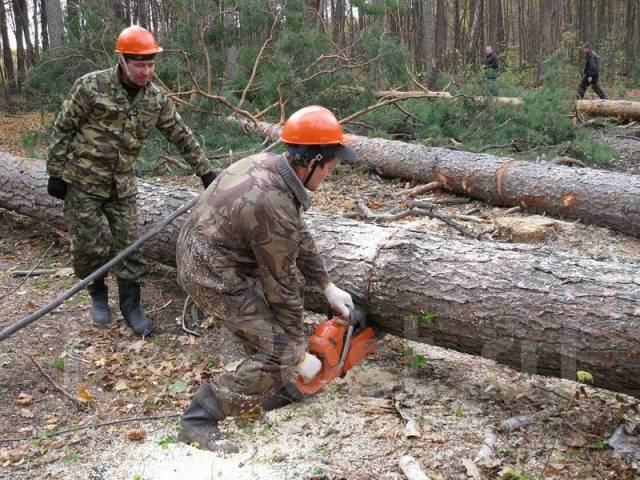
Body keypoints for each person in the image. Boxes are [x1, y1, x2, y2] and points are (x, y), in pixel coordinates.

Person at [175, 105, 356, 453]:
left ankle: (276, 384)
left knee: (273, 336)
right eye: (330, 165)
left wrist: (326, 284)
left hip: (209, 255)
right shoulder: (272, 205)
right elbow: (284, 290)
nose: (331, 173)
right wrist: (298, 355)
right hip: (211, 274)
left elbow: (297, 233)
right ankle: (200, 417)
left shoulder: (272, 168)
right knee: (278, 350)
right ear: (312, 161)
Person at [46, 26, 216, 336]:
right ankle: (97, 296)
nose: (146, 71)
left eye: (151, 65)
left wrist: (205, 171)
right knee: (89, 247)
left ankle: (131, 307)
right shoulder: (90, 87)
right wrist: (55, 173)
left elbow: (181, 135)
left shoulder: (155, 100)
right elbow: (63, 128)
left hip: (121, 186)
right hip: (82, 182)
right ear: (122, 60)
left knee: (130, 245)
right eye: (140, 65)